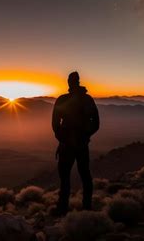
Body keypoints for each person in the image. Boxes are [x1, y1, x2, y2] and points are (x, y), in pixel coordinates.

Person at [51, 71, 100, 216]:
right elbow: (95, 123)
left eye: (70, 80)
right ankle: (86, 207)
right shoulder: (87, 100)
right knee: (84, 175)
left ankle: (63, 208)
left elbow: (55, 124)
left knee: (65, 177)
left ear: (69, 82)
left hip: (67, 146)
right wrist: (85, 136)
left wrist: (63, 139)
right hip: (80, 145)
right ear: (78, 81)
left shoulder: (62, 100)